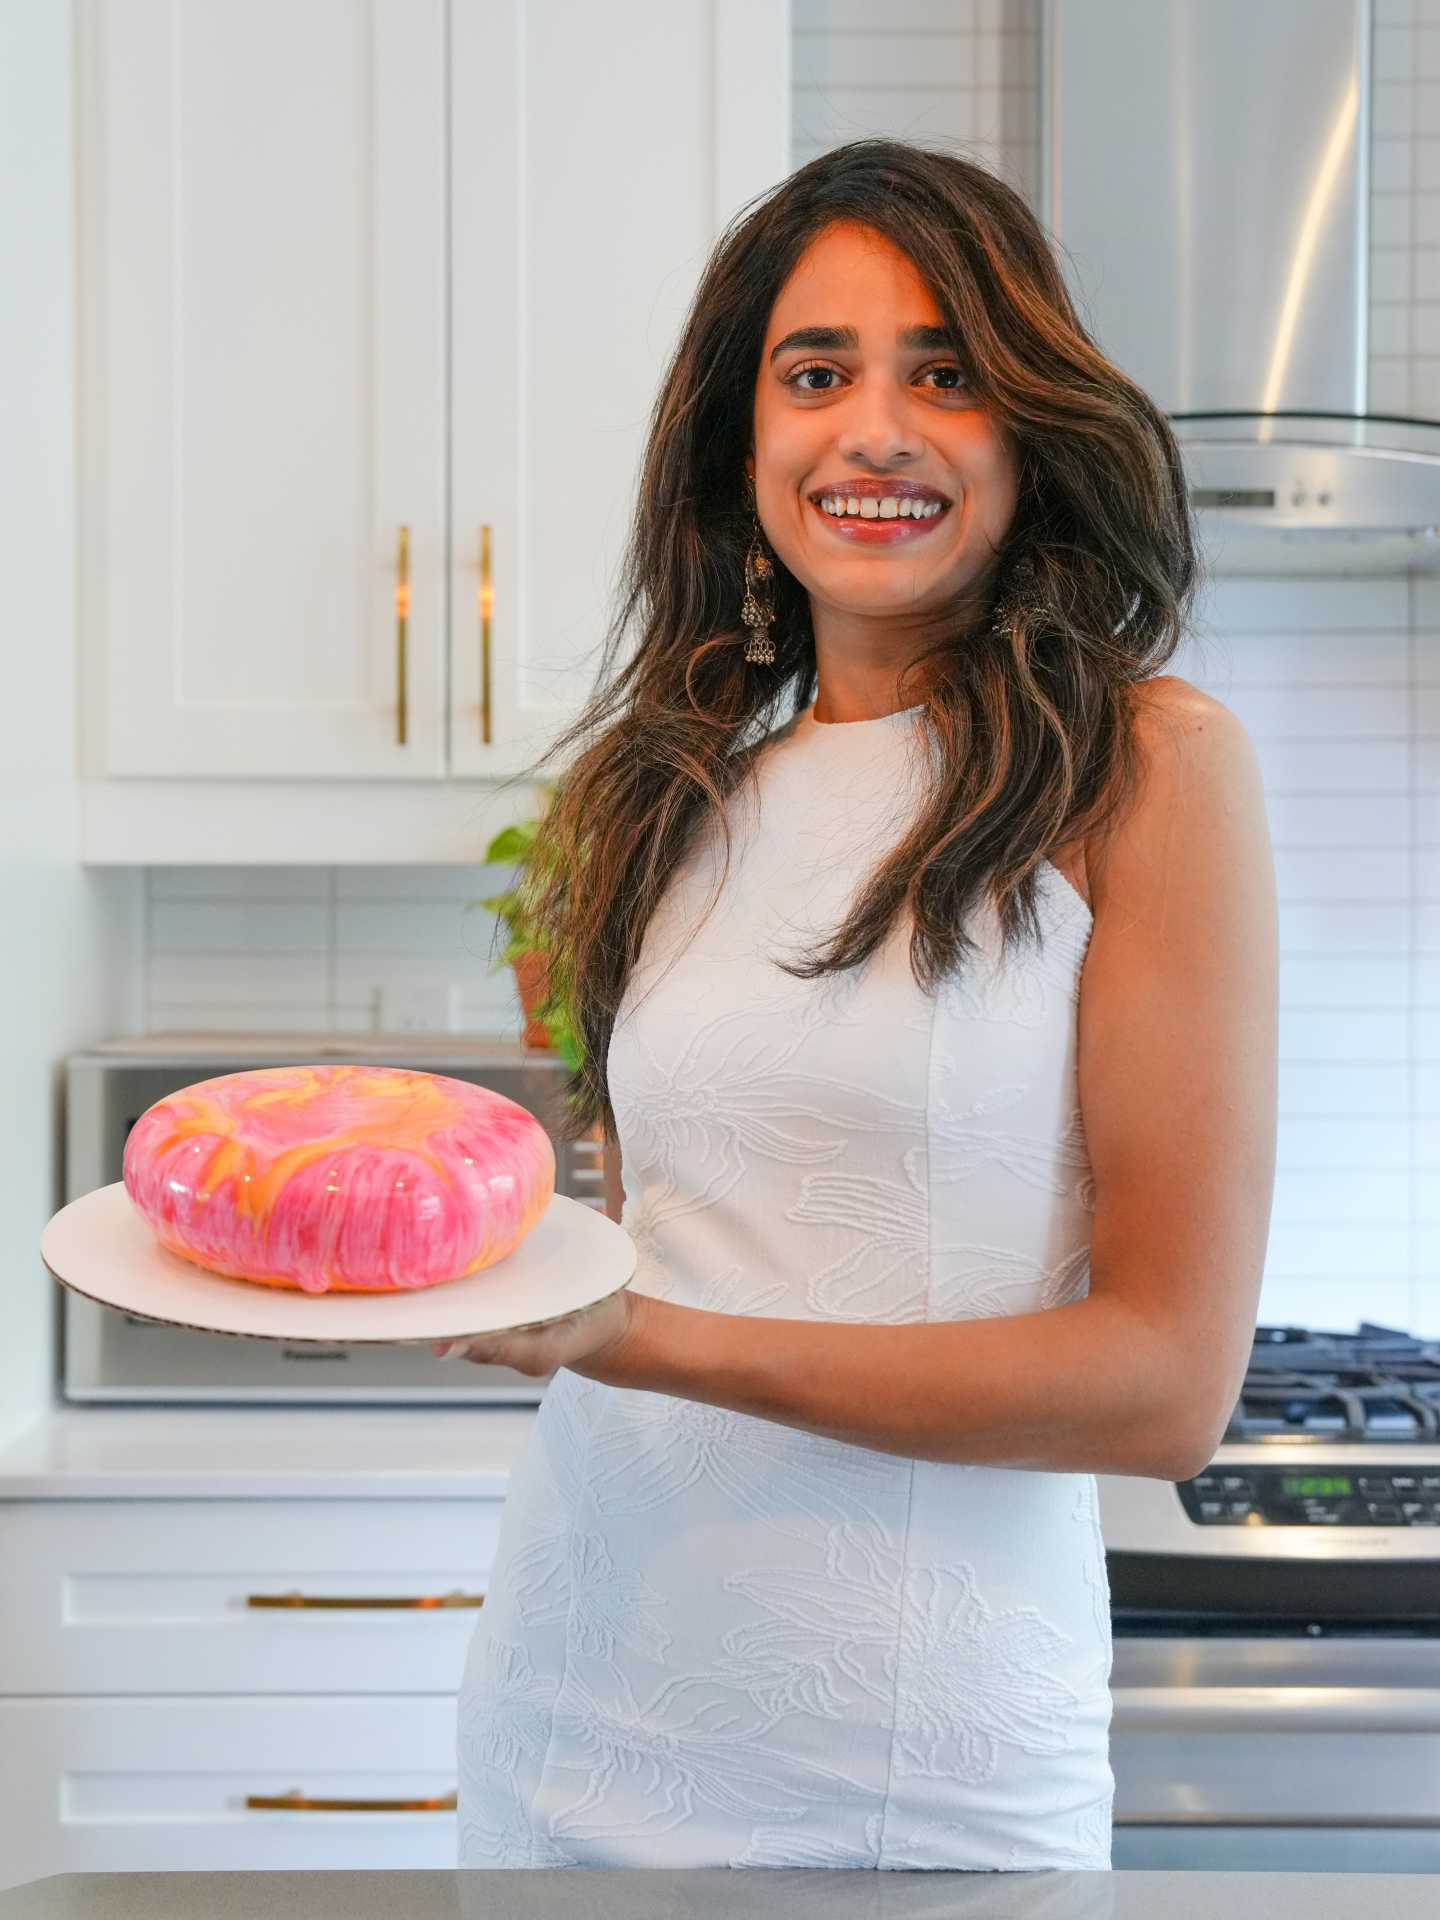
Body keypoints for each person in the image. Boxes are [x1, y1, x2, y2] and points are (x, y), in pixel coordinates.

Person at [435, 137, 1278, 1871]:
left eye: (945, 375)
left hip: (916, 1770)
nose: (873, 432)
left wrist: (636, 1341)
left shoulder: (1143, 770)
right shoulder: (667, 791)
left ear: (1028, 433)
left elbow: (1165, 1387)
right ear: (742, 444)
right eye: (815, 374)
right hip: (572, 1706)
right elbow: (683, 1227)